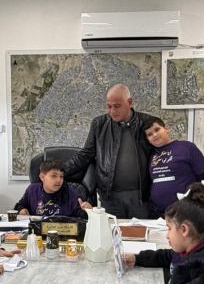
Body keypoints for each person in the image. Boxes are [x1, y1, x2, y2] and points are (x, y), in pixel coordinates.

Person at [63, 84, 157, 219]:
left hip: (141, 197)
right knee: (111, 231)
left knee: (140, 231)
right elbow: (86, 154)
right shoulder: (99, 124)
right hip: (110, 196)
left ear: (130, 102)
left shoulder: (147, 123)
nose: (112, 111)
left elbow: (161, 152)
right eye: (109, 106)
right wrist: (60, 172)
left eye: (117, 106)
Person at [144, 117, 204, 218]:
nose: (154, 135)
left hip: (185, 213)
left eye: (157, 129)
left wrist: (201, 207)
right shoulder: (151, 155)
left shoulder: (187, 147)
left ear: (166, 129)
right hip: (157, 214)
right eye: (150, 134)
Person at [15, 159, 92, 218]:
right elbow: (20, 205)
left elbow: (83, 218)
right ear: (42, 177)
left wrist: (89, 211)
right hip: (38, 232)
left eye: (61, 176)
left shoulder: (71, 193)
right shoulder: (32, 190)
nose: (59, 180)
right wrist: (21, 210)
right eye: (54, 176)